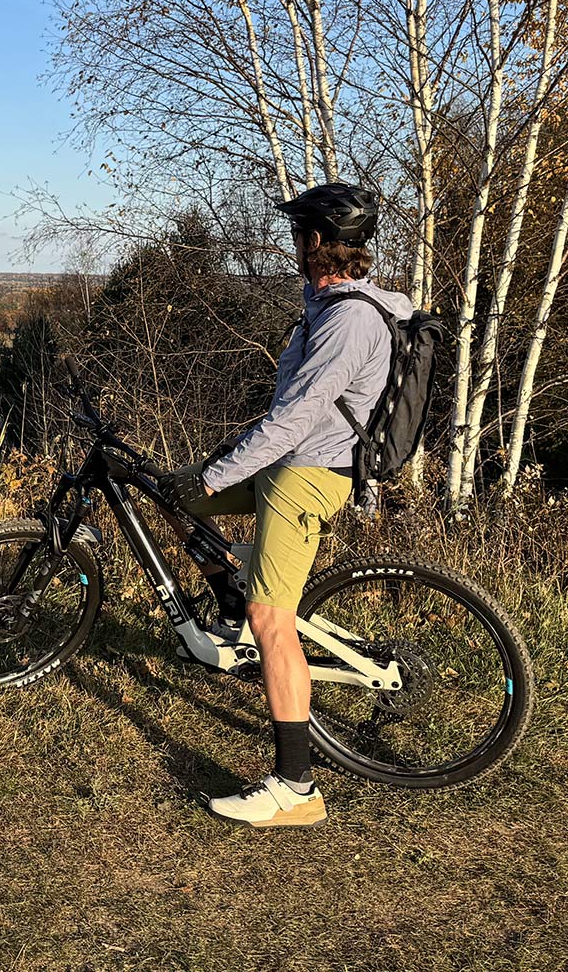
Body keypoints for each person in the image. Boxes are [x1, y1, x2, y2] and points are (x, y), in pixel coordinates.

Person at [164, 183, 412, 828]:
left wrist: (224, 470)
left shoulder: (349, 319)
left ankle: (295, 789)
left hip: (307, 475)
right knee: (175, 492)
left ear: (317, 241)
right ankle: (228, 599)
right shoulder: (327, 302)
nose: (292, 245)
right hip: (286, 462)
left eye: (300, 234)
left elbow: (297, 417)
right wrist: (212, 474)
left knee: (273, 617)